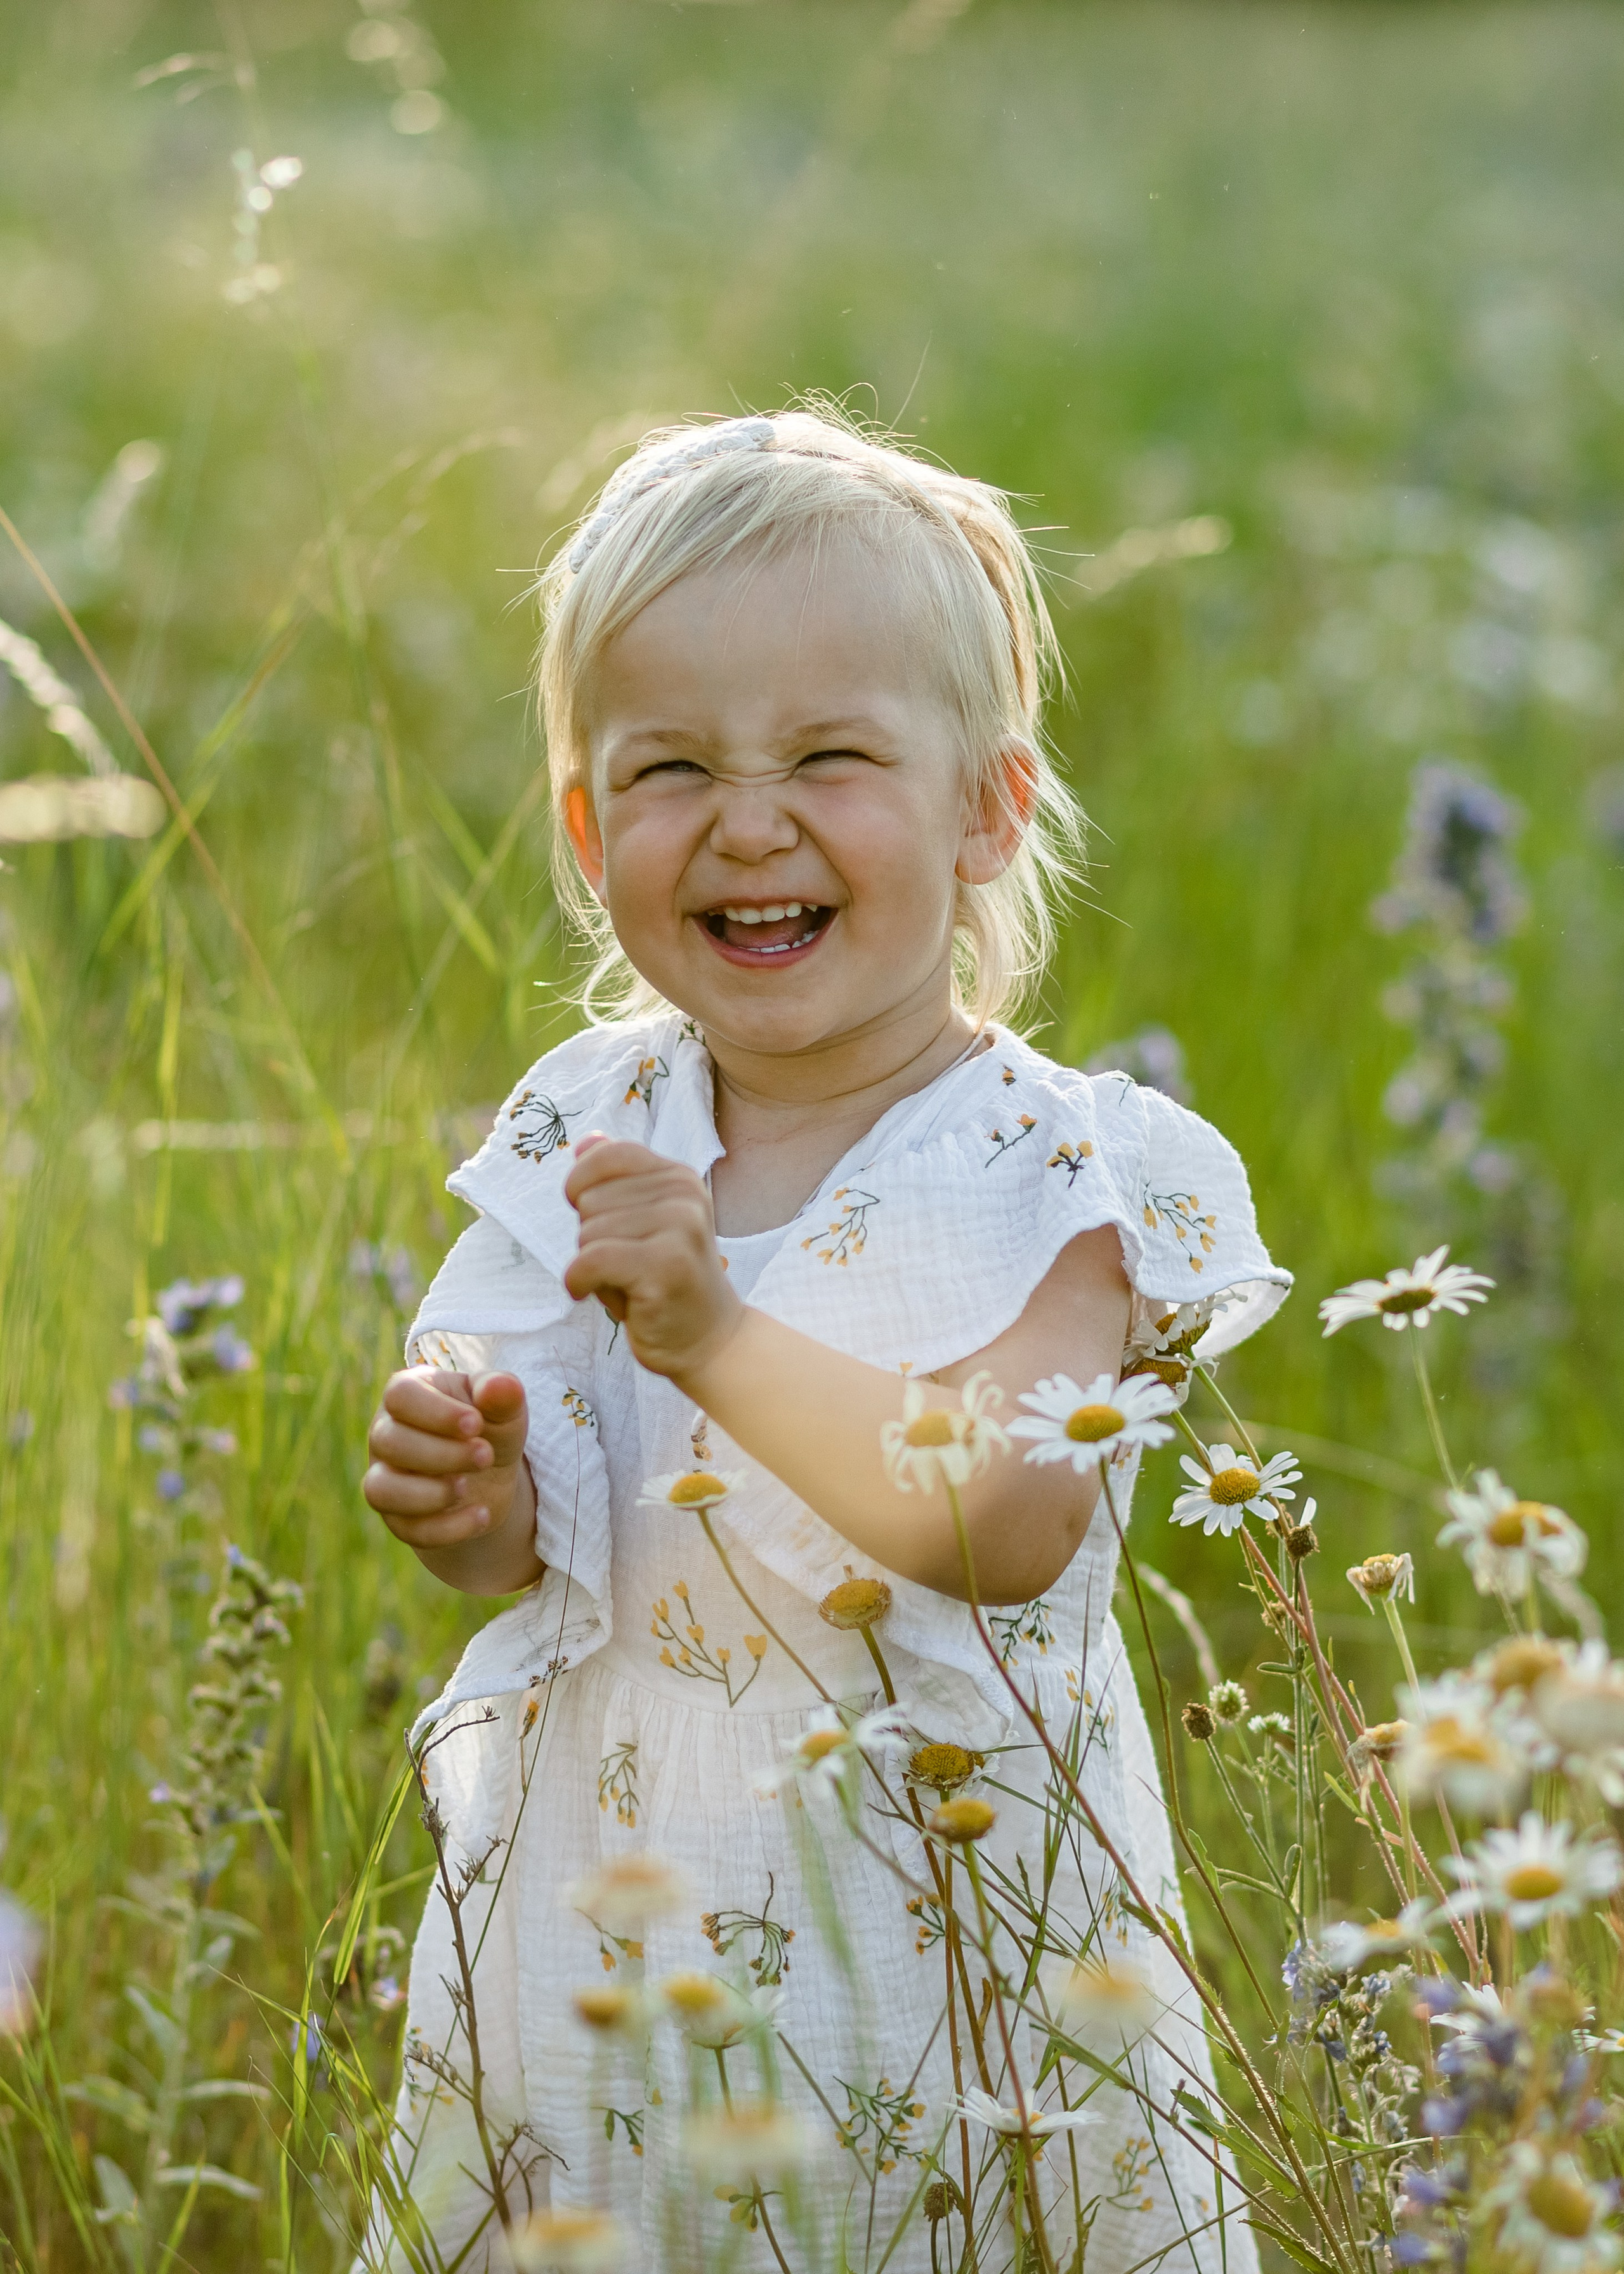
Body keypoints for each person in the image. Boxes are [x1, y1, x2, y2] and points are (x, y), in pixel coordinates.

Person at [362, 407, 1290, 2273]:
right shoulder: (587, 1132)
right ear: (585, 825)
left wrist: (708, 1327)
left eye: (831, 755)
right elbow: (534, 1534)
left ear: (986, 809)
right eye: (672, 766)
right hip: (612, 1948)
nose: (751, 817)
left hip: (956, 1980)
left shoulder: (1068, 1170)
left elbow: (1009, 1519)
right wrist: (462, 1483)